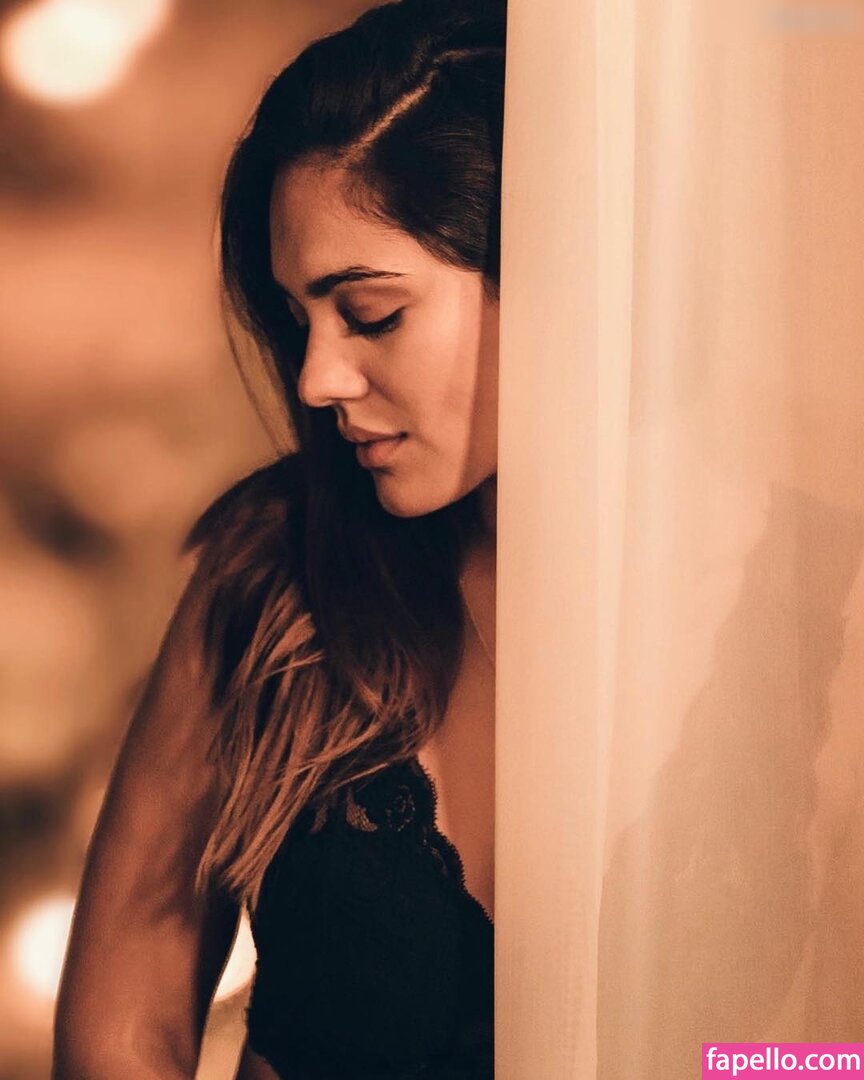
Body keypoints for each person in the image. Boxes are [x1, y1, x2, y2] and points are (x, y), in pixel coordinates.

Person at [52, 0, 503, 1076]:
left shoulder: (800, 606)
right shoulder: (284, 568)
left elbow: (821, 1047)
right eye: (300, 321)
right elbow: (121, 1026)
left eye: (373, 313)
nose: (316, 380)